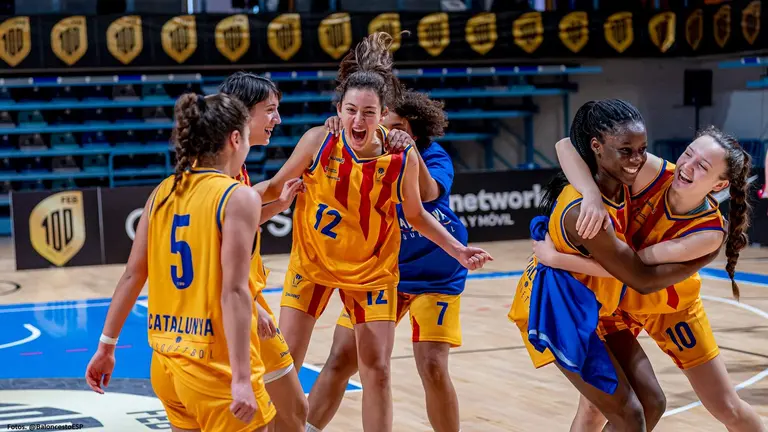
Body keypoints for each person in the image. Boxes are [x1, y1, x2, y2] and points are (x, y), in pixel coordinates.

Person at [254, 32, 492, 431]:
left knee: (377, 370)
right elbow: (275, 187)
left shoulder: (404, 157)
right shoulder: (319, 140)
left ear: (383, 114)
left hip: (372, 274)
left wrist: (457, 250)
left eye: (368, 112)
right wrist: (228, 204)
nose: (357, 120)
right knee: (285, 362)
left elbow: (418, 214)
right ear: (339, 109)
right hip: (312, 265)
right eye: (350, 110)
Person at [508, 99, 719, 432]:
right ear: (597, 147)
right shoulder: (586, 214)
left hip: (593, 303)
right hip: (559, 308)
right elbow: (640, 280)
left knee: (652, 403)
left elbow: (565, 145)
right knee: (629, 414)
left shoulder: (612, 181)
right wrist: (703, 258)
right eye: (626, 151)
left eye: (642, 150)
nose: (637, 159)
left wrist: (591, 192)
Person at [543, 125, 766, 432]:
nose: (687, 165)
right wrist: (592, 195)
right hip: (617, 301)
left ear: (719, 185)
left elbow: (632, 268)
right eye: (689, 153)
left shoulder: (707, 232)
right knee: (595, 405)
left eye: (702, 166)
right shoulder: (651, 170)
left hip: (670, 307)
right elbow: (566, 144)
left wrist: (557, 259)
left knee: (726, 406)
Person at [85, 93, 275, 431]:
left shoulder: (162, 191)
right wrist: (242, 379)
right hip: (215, 368)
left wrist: (106, 347)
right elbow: (233, 291)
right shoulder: (237, 196)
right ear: (235, 139)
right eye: (245, 135)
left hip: (167, 366)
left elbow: (132, 275)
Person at [305, 91, 466, 432]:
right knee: (340, 358)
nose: (386, 132)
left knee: (433, 365)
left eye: (397, 128)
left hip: (437, 275)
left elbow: (425, 196)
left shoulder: (434, 158)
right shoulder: (365, 152)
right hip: (381, 274)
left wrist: (408, 150)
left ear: (415, 133)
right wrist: (336, 128)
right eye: (384, 124)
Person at [219, 71, 309, 432]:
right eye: (270, 110)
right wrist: (253, 307)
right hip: (239, 307)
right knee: (277, 415)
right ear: (243, 113)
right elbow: (213, 249)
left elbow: (242, 218)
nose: (277, 119)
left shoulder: (236, 168)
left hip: (249, 302)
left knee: (290, 412)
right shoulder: (218, 173)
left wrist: (279, 204)